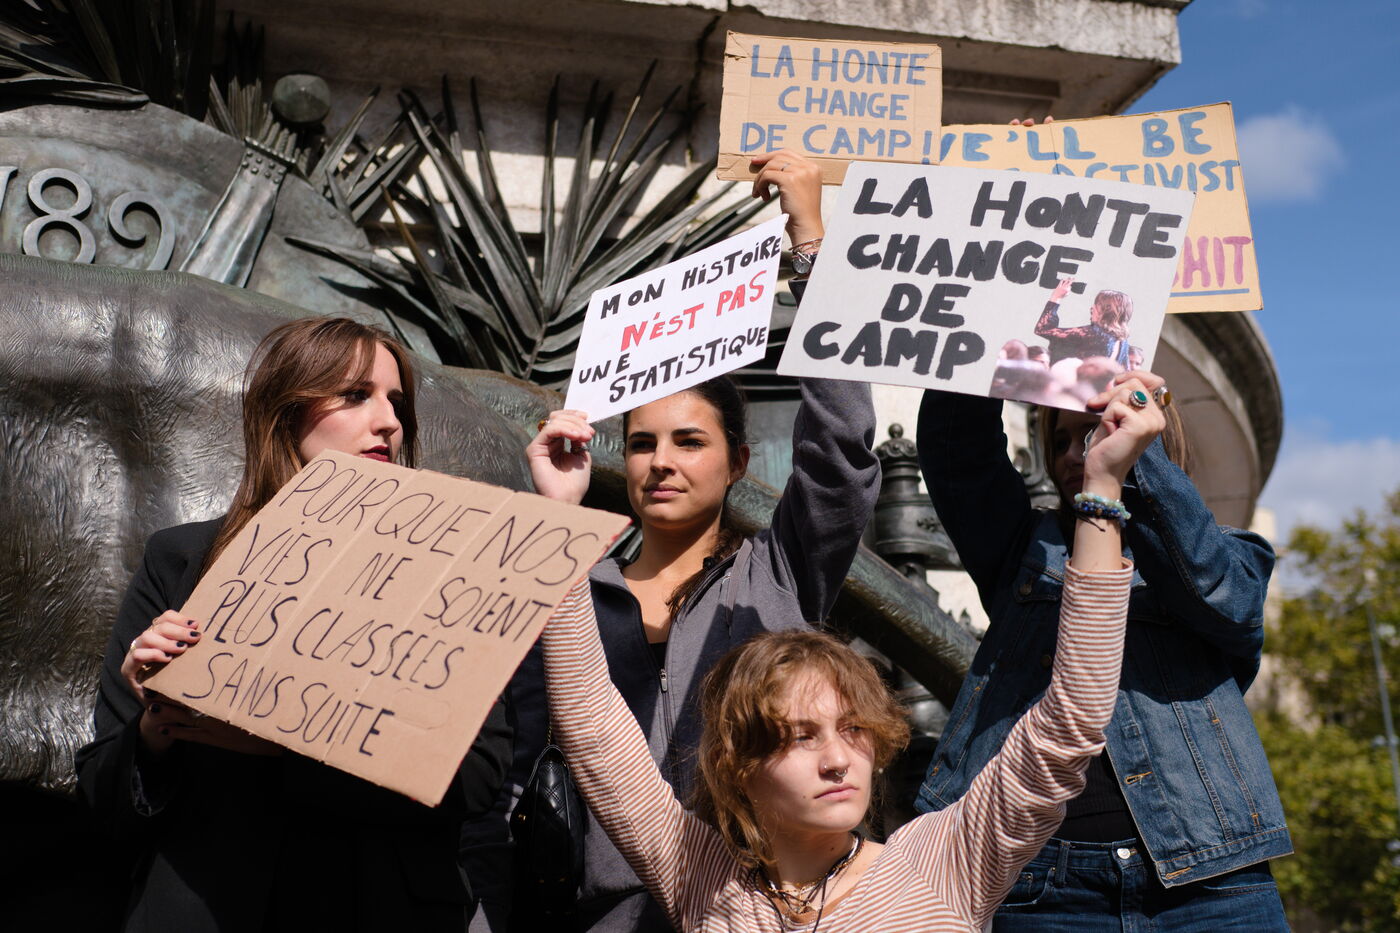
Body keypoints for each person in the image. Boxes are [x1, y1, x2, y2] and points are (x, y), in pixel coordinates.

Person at [537, 377, 1158, 931]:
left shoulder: (944, 865)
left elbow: (1072, 718)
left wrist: (1102, 491)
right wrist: (559, 514)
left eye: (854, 729)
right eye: (798, 736)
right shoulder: (700, 880)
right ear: (738, 765)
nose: (838, 760)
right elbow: (591, 722)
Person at [468, 148, 879, 933]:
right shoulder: (573, 592)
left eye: (689, 441)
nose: (661, 462)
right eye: (643, 443)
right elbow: (511, 776)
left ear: (739, 462)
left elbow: (842, 448)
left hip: (748, 910)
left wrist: (810, 246)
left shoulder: (778, 575)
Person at [76, 317, 513, 933]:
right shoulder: (182, 559)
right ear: (284, 413)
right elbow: (103, 799)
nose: (388, 420)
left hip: (374, 905)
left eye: (397, 401)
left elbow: (476, 776)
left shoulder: (454, 573)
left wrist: (286, 749)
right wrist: (155, 727)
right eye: (355, 395)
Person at [914, 371, 1292, 929]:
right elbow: (960, 455)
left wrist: (1129, 466)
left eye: (1093, 434)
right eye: (1060, 441)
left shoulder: (1234, 554)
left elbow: (1222, 599)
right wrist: (988, 347)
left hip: (1210, 884)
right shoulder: (1026, 547)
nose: (1075, 454)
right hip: (1040, 885)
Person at [1034, 275, 1133, 369]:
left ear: (1105, 310)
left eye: (1097, 304)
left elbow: (1042, 329)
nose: (1092, 308)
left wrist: (1056, 297)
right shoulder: (1122, 342)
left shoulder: (1092, 333)